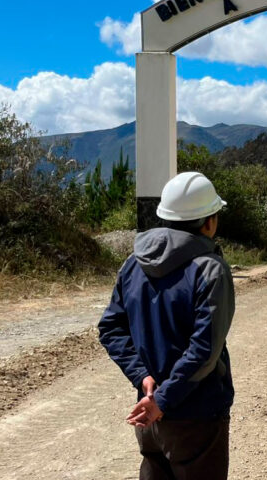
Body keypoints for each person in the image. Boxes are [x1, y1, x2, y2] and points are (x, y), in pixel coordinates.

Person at [98, 171, 234, 480]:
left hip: (149, 414)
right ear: (209, 222)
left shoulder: (133, 263)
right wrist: (164, 399)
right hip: (196, 416)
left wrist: (143, 377)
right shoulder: (210, 269)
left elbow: (110, 328)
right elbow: (204, 350)